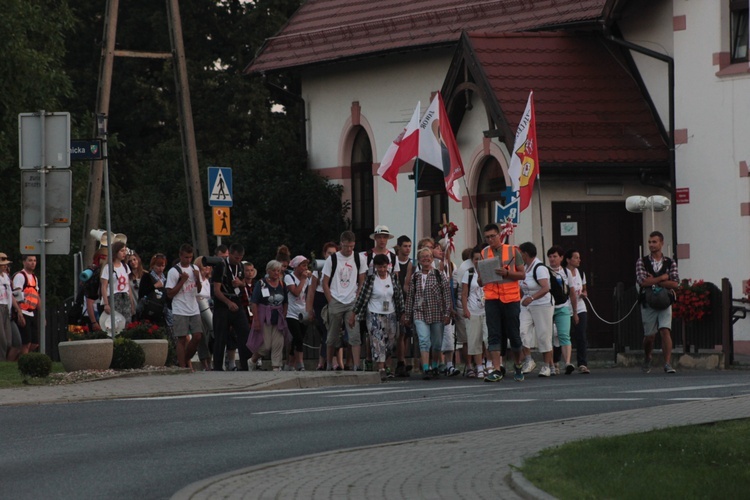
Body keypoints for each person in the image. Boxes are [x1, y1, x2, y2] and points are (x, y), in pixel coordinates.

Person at [480, 224, 525, 382]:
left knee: (514, 335)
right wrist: (483, 276)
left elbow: (522, 275)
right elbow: (480, 280)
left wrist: (507, 273)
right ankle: (497, 369)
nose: (490, 239)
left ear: (499, 235)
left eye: (493, 236)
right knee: (493, 334)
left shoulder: (513, 250)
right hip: (492, 298)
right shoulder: (484, 252)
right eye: (487, 237)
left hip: (511, 298)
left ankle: (518, 365)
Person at [351, 253, 405, 381]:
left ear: (388, 266)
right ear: (375, 267)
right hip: (374, 313)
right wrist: (354, 313)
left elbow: (399, 296)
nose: (382, 269)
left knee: (390, 341)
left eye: (384, 267)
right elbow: (362, 297)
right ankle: (381, 368)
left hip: (390, 313)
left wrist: (402, 312)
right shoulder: (370, 280)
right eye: (379, 267)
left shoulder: (393, 278)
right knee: (377, 340)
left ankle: (387, 365)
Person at [322, 231, 367, 371]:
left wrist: (357, 298)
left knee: (354, 335)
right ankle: (329, 363)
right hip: (336, 298)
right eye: (346, 246)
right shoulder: (333, 259)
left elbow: (362, 280)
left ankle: (356, 365)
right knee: (332, 335)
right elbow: (325, 282)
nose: (349, 249)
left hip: (352, 300)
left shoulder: (359, 259)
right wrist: (331, 300)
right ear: (341, 244)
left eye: (352, 246)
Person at [405, 247, 452, 380]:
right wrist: (408, 315)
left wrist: (447, 312)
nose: (426, 258)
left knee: (437, 343)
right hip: (420, 312)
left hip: (437, 312)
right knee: (424, 340)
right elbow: (411, 297)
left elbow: (447, 295)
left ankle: (435, 364)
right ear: (419, 260)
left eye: (428, 256)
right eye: (423, 257)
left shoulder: (439, 274)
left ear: (432, 258)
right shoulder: (416, 276)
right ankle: (426, 368)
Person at [637, 231, 679, 374]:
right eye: (649, 242)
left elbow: (675, 284)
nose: (651, 245)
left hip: (665, 301)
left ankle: (667, 363)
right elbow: (643, 282)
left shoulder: (670, 262)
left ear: (661, 243)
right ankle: (648, 356)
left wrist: (654, 280)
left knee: (665, 330)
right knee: (650, 336)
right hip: (648, 301)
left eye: (654, 242)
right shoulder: (642, 261)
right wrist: (662, 278)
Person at [212, 243, 251, 371]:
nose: (238, 260)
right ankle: (217, 366)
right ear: (230, 254)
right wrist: (228, 303)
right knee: (220, 335)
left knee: (244, 331)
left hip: (236, 301)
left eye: (240, 258)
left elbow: (243, 284)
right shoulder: (220, 266)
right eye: (235, 257)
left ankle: (245, 365)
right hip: (222, 304)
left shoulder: (240, 266)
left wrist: (240, 284)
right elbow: (216, 290)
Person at [518, 242, 555, 377]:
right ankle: (529, 360)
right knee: (522, 330)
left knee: (543, 335)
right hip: (527, 305)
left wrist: (532, 298)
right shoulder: (524, 268)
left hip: (542, 304)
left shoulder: (539, 268)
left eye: (520, 253)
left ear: (526, 254)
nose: (518, 255)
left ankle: (547, 365)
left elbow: (546, 288)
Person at [166, 244, 203, 369]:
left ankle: (185, 359)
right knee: (181, 338)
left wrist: (198, 279)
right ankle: (183, 366)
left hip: (193, 307)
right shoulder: (174, 271)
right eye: (186, 257)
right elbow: (169, 293)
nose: (188, 260)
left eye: (190, 257)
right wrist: (182, 281)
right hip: (180, 308)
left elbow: (199, 289)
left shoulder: (194, 268)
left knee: (197, 336)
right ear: (180, 256)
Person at [249, 260, 289, 371]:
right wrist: (256, 319)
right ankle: (253, 360)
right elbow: (254, 302)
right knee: (266, 345)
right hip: (265, 316)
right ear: (268, 271)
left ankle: (276, 366)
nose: (276, 273)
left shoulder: (282, 284)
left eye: (278, 271)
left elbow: (285, 301)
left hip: (278, 316)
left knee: (278, 342)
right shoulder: (261, 283)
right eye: (274, 270)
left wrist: (284, 313)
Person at [308, 242, 338, 370]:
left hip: (334, 298)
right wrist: (309, 309)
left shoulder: (338, 267)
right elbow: (311, 290)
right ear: (324, 254)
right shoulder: (318, 269)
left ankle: (325, 361)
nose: (331, 256)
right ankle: (328, 361)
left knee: (333, 330)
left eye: (334, 253)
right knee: (325, 330)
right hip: (320, 299)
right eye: (329, 253)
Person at [547, 245, 576, 375]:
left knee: (564, 335)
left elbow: (572, 292)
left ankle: (568, 362)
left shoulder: (566, 272)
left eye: (555, 256)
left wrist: (575, 312)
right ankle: (552, 364)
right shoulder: (544, 271)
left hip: (563, 306)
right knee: (549, 336)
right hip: (547, 307)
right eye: (550, 257)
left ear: (561, 258)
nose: (552, 259)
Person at [461, 246, 487, 378]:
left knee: (488, 339)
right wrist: (465, 309)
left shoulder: (489, 272)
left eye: (480, 258)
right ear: (472, 260)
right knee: (475, 340)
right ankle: (479, 367)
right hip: (473, 310)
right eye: (476, 259)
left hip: (487, 310)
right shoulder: (469, 273)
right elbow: (464, 294)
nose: (478, 261)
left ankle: (488, 364)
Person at [100, 241, 136, 330]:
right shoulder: (109, 267)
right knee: (116, 324)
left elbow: (128, 287)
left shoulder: (125, 266)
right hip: (114, 297)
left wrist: (131, 302)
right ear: (116, 252)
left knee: (126, 322)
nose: (124, 253)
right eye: (121, 251)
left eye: (125, 251)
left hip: (125, 297)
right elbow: (104, 286)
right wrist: (106, 304)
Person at [565, 248, 590, 374]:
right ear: (568, 260)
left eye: (579, 257)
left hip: (580, 307)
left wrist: (584, 294)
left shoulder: (581, 273)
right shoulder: (563, 273)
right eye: (576, 257)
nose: (579, 260)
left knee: (581, 335)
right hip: (566, 307)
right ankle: (561, 362)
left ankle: (582, 363)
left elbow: (584, 289)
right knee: (563, 335)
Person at [285, 255, 311, 371]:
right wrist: (303, 280)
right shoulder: (289, 277)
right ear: (296, 266)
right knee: (298, 338)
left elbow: (310, 294)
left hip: (303, 312)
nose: (305, 268)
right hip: (292, 313)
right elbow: (295, 292)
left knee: (298, 339)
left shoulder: (308, 278)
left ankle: (290, 364)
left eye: (306, 265)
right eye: (303, 265)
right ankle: (301, 364)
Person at [393, 235, 414, 377]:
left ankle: (403, 360)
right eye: (405, 246)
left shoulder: (413, 264)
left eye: (409, 246)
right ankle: (399, 361)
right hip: (394, 299)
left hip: (408, 300)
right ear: (399, 247)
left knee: (406, 333)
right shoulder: (392, 261)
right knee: (399, 334)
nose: (407, 249)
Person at [12, 255, 40, 354]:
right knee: (25, 343)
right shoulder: (20, 276)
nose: (33, 263)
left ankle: (18, 359)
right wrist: (19, 313)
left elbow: (36, 296)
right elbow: (17, 295)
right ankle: (21, 362)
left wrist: (41, 313)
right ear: (24, 262)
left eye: (34, 260)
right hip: (23, 311)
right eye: (30, 260)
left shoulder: (34, 278)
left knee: (34, 343)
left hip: (31, 312)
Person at [0, 253, 24, 361]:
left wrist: (18, 310)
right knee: (2, 340)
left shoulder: (5, 277)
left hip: (7, 308)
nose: (5, 266)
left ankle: (5, 361)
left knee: (9, 341)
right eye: (3, 264)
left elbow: (10, 295)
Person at [195, 256, 214, 371]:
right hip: (198, 306)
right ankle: (204, 362)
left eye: (209, 265)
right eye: (205, 265)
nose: (207, 267)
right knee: (201, 335)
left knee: (209, 335)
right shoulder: (198, 279)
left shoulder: (208, 280)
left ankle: (210, 359)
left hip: (209, 306)